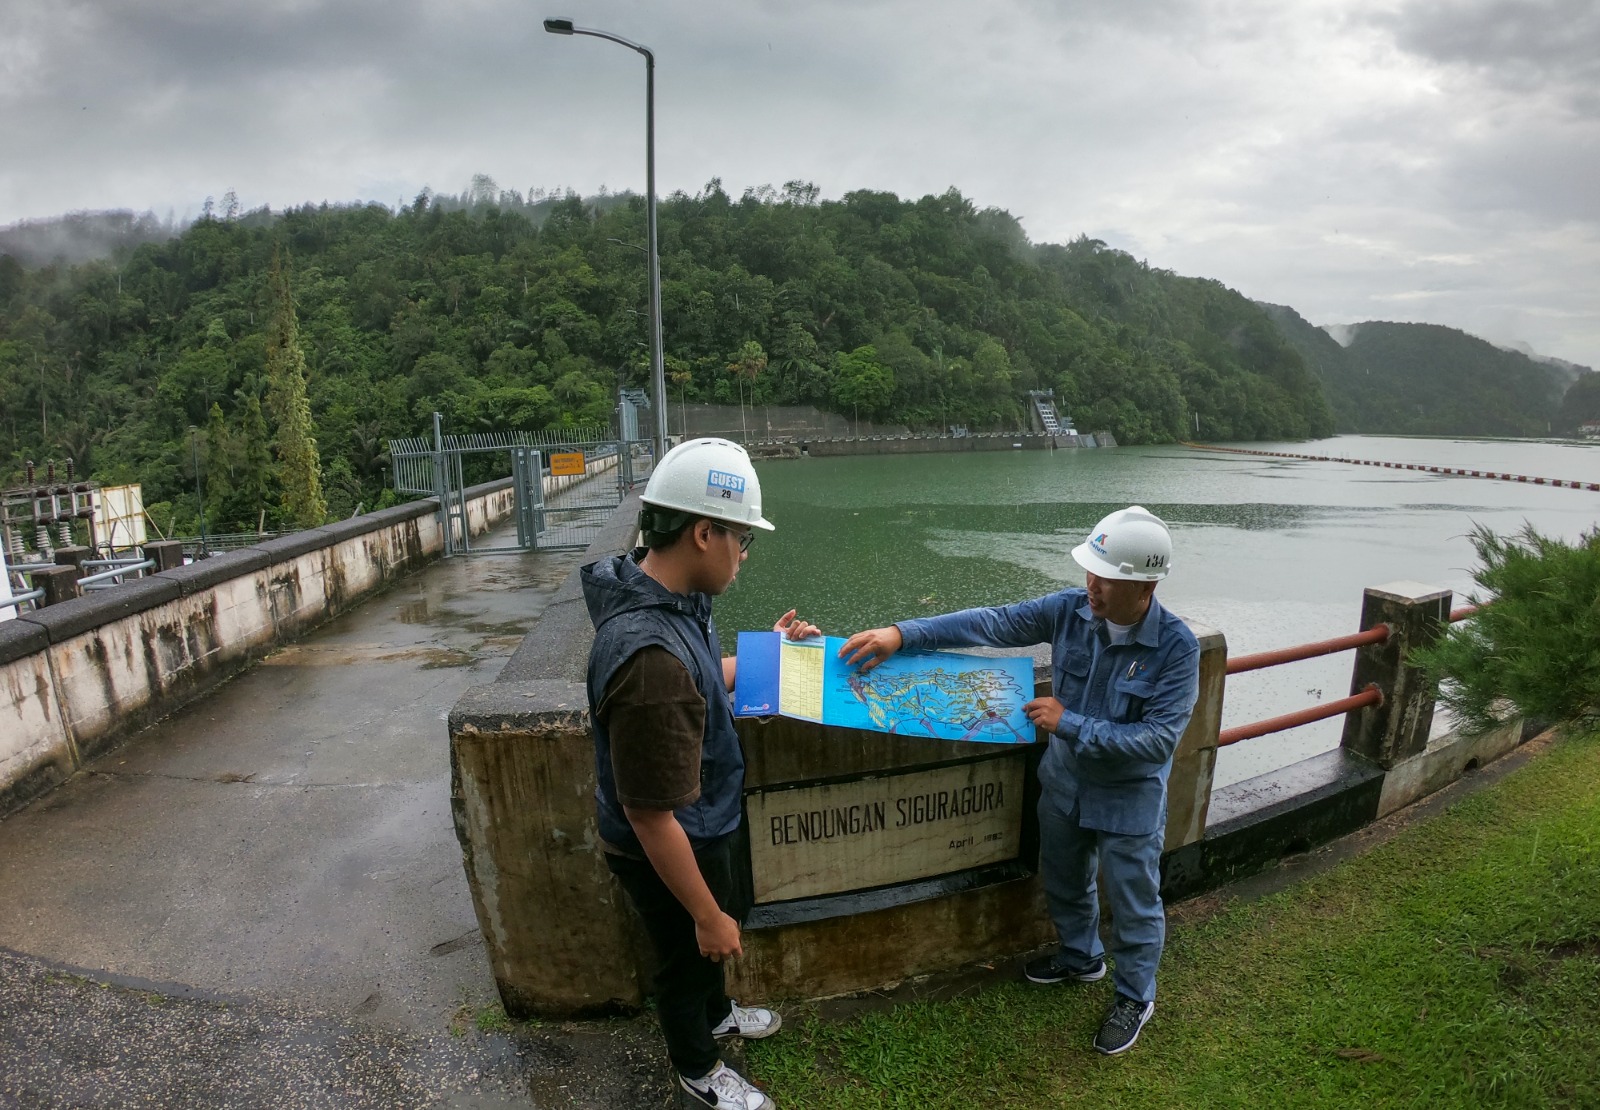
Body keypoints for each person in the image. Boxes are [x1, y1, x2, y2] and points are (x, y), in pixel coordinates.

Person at [838, 506, 1199, 1057]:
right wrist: (901, 634)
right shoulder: (1069, 611)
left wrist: (1068, 722)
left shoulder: (1177, 649)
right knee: (1064, 879)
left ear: (1145, 585)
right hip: (1064, 787)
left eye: (1108, 578)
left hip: (1127, 800)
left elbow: (1156, 741)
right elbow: (992, 622)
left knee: (1133, 901)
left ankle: (1134, 995)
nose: (1093, 586)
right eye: (1090, 571)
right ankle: (1082, 959)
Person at [582, 437, 817, 1110]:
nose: (744, 553)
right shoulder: (647, 659)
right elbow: (650, 815)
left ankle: (717, 1016)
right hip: (671, 839)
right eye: (741, 538)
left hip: (703, 817)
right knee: (687, 958)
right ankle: (697, 1067)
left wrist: (774, 658)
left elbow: (704, 681)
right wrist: (708, 914)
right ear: (703, 531)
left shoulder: (674, 601)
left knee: (706, 952)